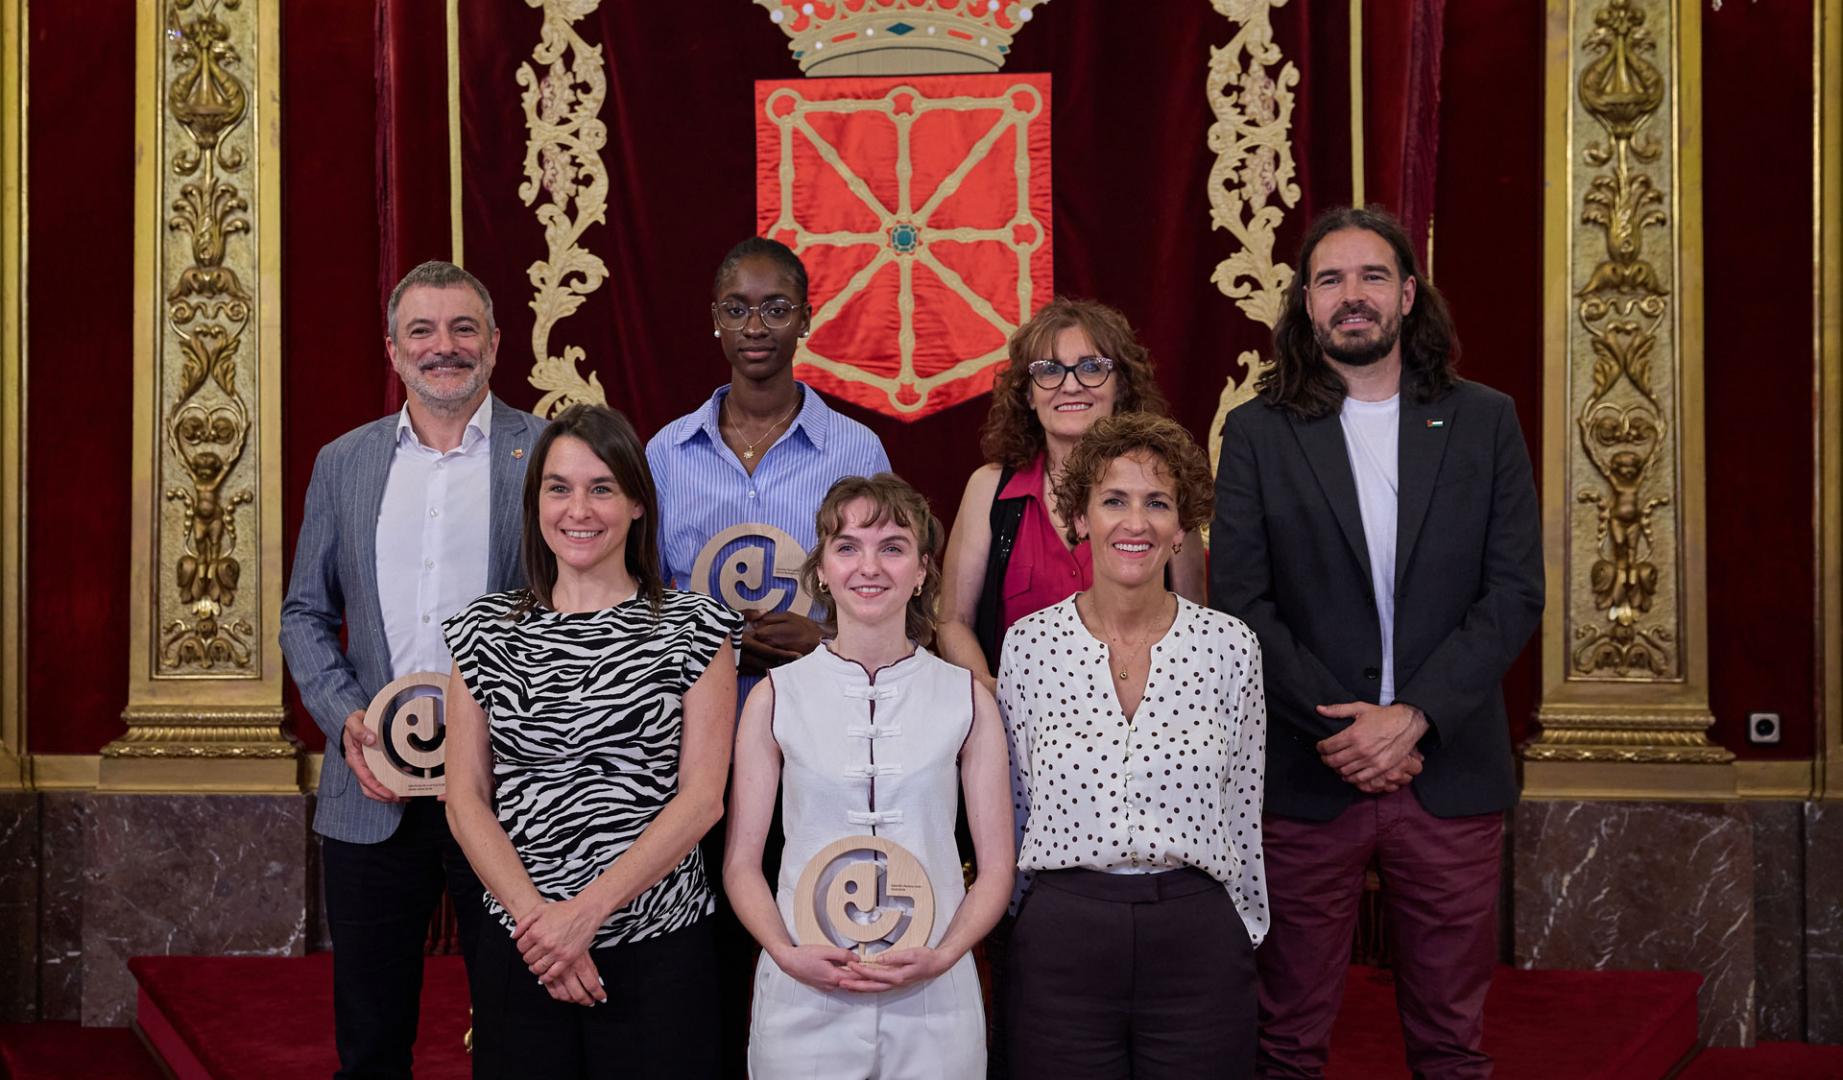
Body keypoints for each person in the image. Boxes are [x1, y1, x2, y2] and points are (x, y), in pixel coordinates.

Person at [1210, 205, 1543, 1079]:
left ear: (1406, 294)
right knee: (1285, 1040)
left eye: (1370, 276)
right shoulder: (1258, 431)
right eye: (1329, 279)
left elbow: (1513, 591)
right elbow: (1241, 603)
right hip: (1308, 771)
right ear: (1305, 303)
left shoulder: (1483, 420)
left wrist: (1413, 717)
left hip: (1448, 771)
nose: (1350, 295)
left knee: (1451, 1045)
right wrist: (1347, 729)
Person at [280, 260, 546, 1079]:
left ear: (495, 343)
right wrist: (347, 721)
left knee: (518, 1031)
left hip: (508, 788)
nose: (444, 346)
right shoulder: (344, 463)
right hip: (373, 794)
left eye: (463, 328)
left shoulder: (546, 455)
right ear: (393, 351)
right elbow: (304, 614)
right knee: (370, 1041)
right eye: (421, 331)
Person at [644, 236, 890, 1071]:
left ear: (805, 320)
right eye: (738, 308)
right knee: (705, 942)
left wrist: (825, 638)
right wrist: (708, 635)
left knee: (807, 921)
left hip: (816, 734)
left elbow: (889, 592)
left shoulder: (855, 451)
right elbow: (641, 599)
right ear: (713, 320)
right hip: (696, 742)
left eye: (776, 308)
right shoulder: (666, 454)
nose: (756, 326)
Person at [441, 404, 740, 1079]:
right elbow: (465, 800)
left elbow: (702, 801)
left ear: (637, 502)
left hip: (658, 946)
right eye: (559, 488)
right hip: (523, 948)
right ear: (535, 503)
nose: (578, 509)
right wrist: (543, 928)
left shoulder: (695, 628)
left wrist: (584, 916)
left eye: (601, 487)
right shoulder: (482, 632)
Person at [1001, 412, 1269, 1079]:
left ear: (1182, 528)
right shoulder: (1028, 646)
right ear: (1080, 517)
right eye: (1114, 500)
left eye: (1158, 503)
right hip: (1062, 935)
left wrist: (1242, 927)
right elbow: (1014, 802)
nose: (1136, 522)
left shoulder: (1229, 647)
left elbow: (1243, 806)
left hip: (1197, 938)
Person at [724, 473, 1014, 1078]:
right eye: (848, 546)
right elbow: (742, 866)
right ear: (822, 571)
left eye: (893, 547)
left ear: (923, 571)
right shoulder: (775, 696)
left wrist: (944, 955)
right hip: (804, 994)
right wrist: (785, 953)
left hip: (933, 1000)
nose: (870, 567)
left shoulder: (967, 698)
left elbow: (995, 871)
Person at [936, 297, 1203, 696]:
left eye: (1092, 367)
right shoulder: (988, 489)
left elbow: (1194, 627)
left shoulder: (1166, 487)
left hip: (1142, 720)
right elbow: (953, 621)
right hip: (1016, 722)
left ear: (1121, 386)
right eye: (1049, 370)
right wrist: (992, 694)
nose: (1071, 384)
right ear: (1028, 394)